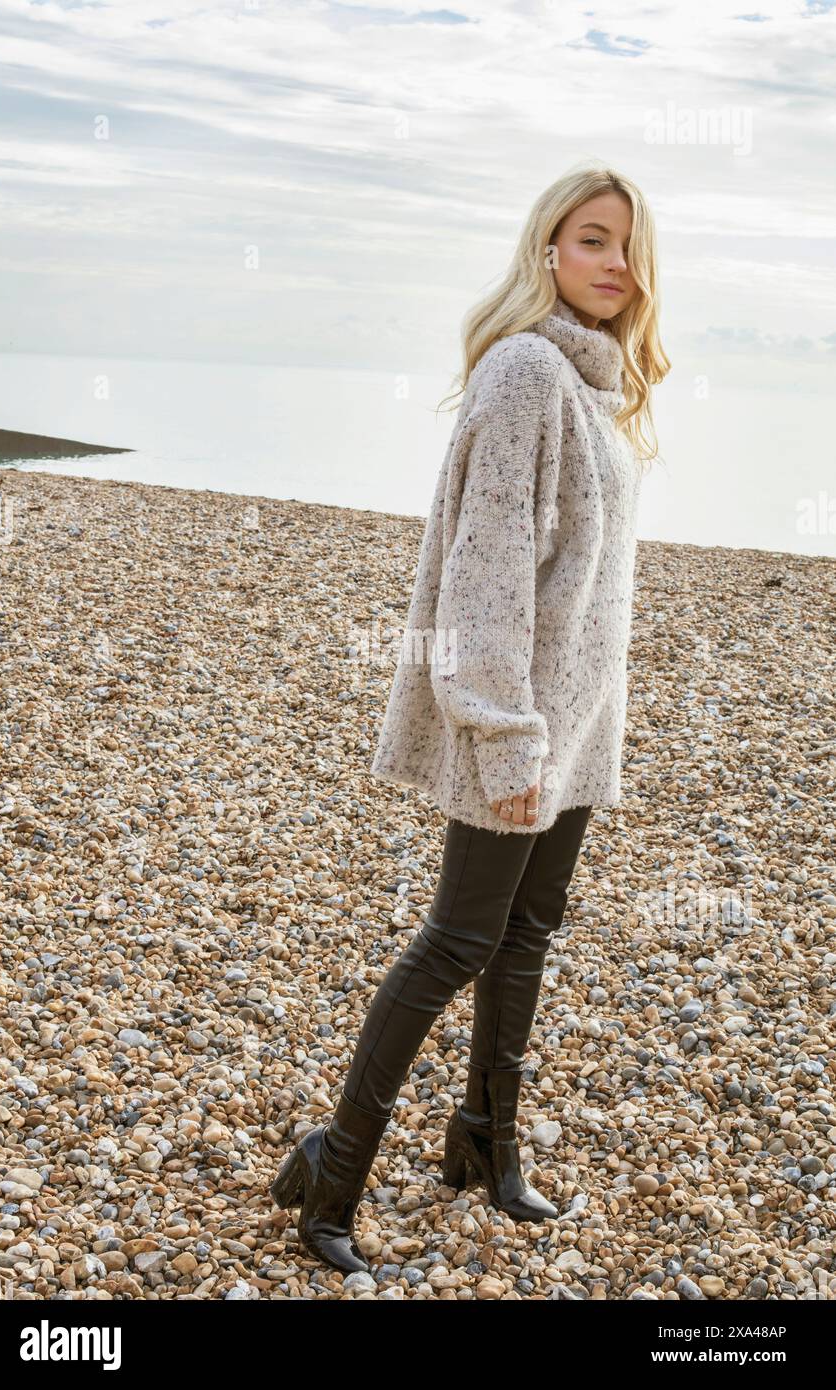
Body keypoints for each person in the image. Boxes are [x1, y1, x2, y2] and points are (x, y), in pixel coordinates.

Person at [270, 163, 670, 1274]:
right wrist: (503, 732)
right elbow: (483, 576)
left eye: (629, 248)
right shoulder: (526, 374)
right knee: (458, 936)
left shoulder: (595, 384)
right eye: (592, 240)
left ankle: (483, 1144)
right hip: (520, 721)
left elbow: (579, 586)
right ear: (546, 247)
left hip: (575, 719)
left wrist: (570, 730)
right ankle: (330, 1170)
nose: (615, 265)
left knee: (526, 933)